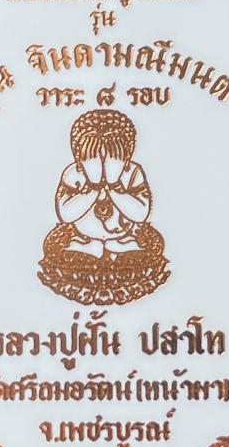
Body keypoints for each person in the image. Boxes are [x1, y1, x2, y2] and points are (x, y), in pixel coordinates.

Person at [37, 109, 170, 305]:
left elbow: (141, 213)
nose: (103, 165)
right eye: (93, 158)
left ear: (127, 158)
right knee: (57, 245)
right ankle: (98, 252)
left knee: (150, 243)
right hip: (82, 240)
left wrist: (115, 189)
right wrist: (92, 191)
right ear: (79, 159)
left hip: (124, 239)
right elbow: (65, 214)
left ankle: (111, 253)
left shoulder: (133, 172)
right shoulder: (73, 174)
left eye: (113, 158)